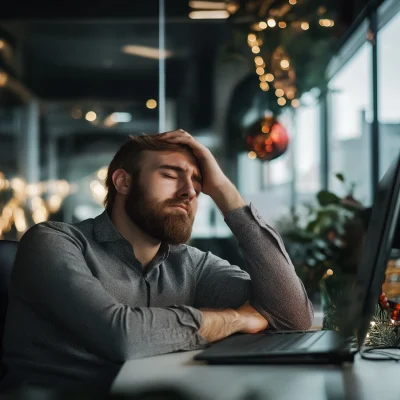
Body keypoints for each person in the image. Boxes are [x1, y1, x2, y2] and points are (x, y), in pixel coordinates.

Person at [1, 130, 313, 392]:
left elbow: (291, 317)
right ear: (123, 183)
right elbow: (122, 336)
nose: (189, 191)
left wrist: (225, 192)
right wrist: (235, 319)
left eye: (198, 182)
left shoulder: (190, 263)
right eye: (169, 175)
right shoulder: (51, 241)